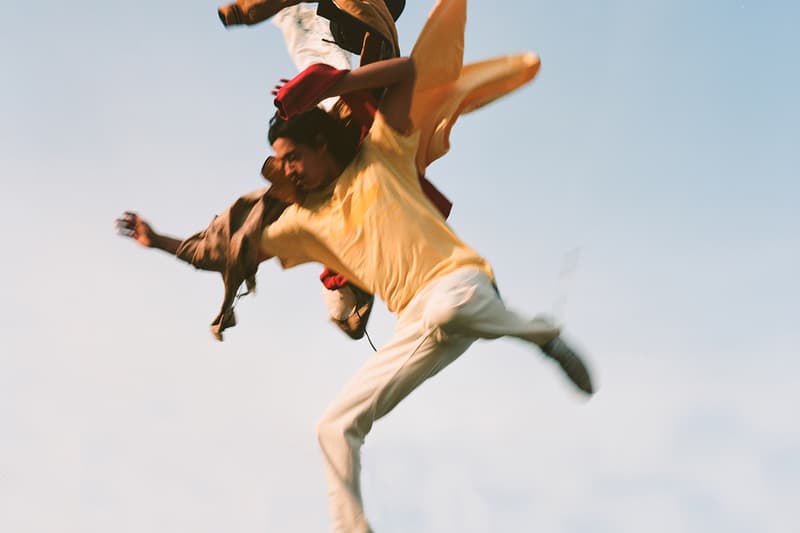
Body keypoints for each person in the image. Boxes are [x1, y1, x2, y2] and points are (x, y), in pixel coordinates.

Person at [262, 55, 594, 532]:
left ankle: (545, 335)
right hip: (417, 324)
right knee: (332, 427)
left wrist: (332, 85)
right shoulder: (303, 219)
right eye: (280, 165)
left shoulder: (380, 153)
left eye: (292, 157)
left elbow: (408, 73)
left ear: (319, 142)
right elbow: (224, 248)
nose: (288, 171)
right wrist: (163, 242)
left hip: (461, 283)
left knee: (446, 308)